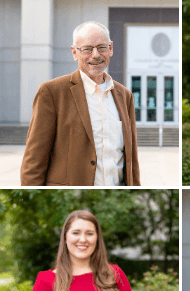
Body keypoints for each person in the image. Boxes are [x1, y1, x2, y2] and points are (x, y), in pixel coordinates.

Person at [21, 21, 140, 186]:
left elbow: (131, 160)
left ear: (110, 48)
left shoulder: (124, 96)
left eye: (102, 47)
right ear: (74, 53)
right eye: (87, 49)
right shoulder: (52, 92)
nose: (96, 55)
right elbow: (33, 161)